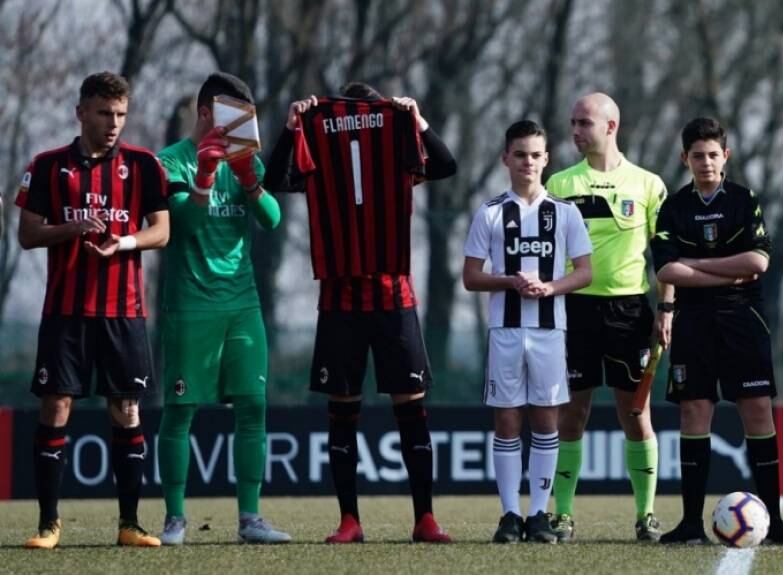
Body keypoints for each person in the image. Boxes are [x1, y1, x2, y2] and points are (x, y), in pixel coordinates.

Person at [264, 82, 457, 543]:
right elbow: (274, 181)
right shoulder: (317, 141)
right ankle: (349, 520)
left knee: (410, 408)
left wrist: (416, 119)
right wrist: (293, 129)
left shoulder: (397, 146)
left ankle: (424, 518)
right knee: (342, 410)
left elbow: (447, 165)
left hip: (394, 298)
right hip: (340, 299)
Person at [15, 71, 169, 548]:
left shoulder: (144, 165)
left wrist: (123, 241)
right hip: (65, 311)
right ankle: (48, 525)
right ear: (81, 112)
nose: (114, 123)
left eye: (121, 114)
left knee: (126, 408)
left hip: (124, 313)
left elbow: (161, 231)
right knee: (56, 405)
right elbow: (27, 235)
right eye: (104, 113)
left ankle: (129, 524)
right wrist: (73, 226)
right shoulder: (46, 166)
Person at [156, 72, 290, 545]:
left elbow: (272, 221)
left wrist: (252, 182)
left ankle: (250, 518)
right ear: (208, 113)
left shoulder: (242, 159)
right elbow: (182, 229)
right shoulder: (169, 161)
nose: (243, 128)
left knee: (253, 407)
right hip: (190, 305)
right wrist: (206, 177)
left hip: (242, 303)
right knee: (180, 409)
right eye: (236, 117)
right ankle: (174, 518)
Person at [652, 117, 783, 545]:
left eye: (713, 154)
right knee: (694, 412)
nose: (706, 162)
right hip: (693, 320)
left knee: (756, 412)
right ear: (685, 159)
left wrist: (695, 265)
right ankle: (691, 523)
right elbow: (665, 268)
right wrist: (724, 271)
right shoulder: (674, 207)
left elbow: (758, 263)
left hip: (743, 319)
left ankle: (776, 524)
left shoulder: (743, 200)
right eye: (697, 155)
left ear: (725, 156)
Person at [547, 92, 672, 542]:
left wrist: (667, 308)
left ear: (611, 127)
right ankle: (561, 515)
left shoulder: (647, 184)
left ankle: (646, 515)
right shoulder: (559, 184)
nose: (576, 131)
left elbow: (665, 255)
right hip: (575, 310)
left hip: (630, 310)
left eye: (584, 123)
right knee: (572, 413)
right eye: (573, 122)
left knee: (635, 414)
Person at [463, 120, 593, 543]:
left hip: (550, 331)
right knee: (506, 420)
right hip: (505, 330)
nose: (528, 162)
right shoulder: (490, 213)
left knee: (545, 418)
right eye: (520, 154)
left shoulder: (565, 212)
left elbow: (585, 272)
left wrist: (551, 287)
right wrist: (511, 281)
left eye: (536, 155)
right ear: (506, 158)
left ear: (547, 160)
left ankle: (538, 514)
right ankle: (509, 515)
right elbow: (471, 277)